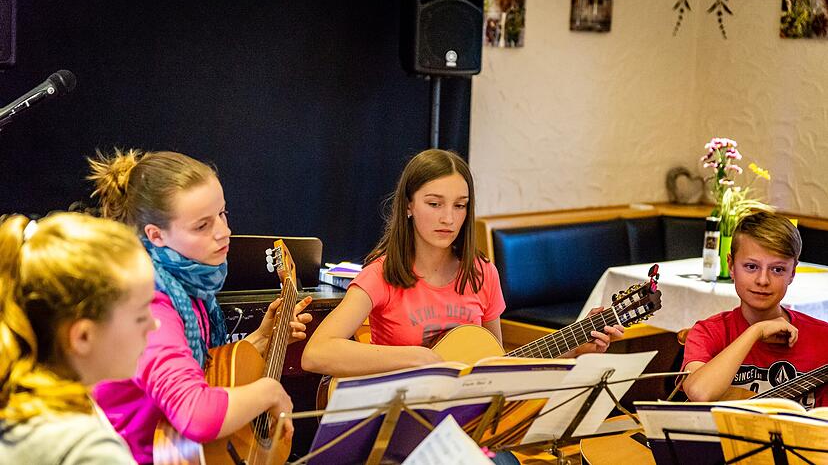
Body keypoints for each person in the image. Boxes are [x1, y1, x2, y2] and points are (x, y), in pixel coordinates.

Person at [301, 149, 623, 378]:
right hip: (402, 423)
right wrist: (415, 359)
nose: (448, 218)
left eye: (460, 206)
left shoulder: (482, 274)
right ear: (409, 206)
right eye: (434, 203)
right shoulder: (381, 275)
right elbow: (316, 354)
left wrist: (574, 350)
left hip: (467, 425)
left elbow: (498, 366)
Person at [87, 149, 313, 463]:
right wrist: (270, 392)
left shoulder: (188, 285)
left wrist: (263, 339)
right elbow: (194, 413)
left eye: (222, 214)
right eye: (202, 226)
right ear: (157, 235)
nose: (223, 232)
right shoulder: (150, 306)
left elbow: (197, 367)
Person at [0, 212, 157, 464]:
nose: (154, 324)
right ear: (83, 336)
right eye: (140, 316)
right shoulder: (87, 452)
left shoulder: (16, 404)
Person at [682, 211, 828, 407]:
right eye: (751, 266)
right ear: (731, 266)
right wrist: (755, 332)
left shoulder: (822, 337)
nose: (762, 280)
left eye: (777, 269)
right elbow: (700, 392)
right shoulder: (708, 332)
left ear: (792, 273)